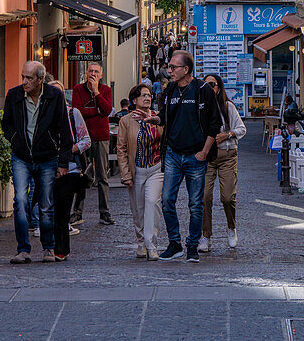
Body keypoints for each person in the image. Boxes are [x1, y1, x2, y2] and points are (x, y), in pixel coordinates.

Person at [1, 60, 71, 264]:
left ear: (41, 79)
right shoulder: (14, 95)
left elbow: (64, 128)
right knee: (20, 201)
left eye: (29, 78)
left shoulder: (54, 95)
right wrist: (16, 140)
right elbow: (6, 124)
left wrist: (63, 162)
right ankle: (23, 249)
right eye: (23, 76)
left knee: (46, 204)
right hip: (21, 156)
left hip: (47, 157)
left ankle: (48, 248)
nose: (24, 81)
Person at [158, 49, 222, 262]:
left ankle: (192, 246)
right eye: (169, 67)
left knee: (196, 204)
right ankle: (174, 243)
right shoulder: (169, 90)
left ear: (186, 69)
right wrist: (153, 120)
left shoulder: (203, 90)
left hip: (196, 156)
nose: (170, 71)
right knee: (167, 200)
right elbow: (164, 117)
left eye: (173, 67)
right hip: (173, 154)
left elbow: (215, 124)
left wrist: (204, 152)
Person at [198, 73, 247, 253]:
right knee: (204, 197)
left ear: (219, 88)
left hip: (227, 155)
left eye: (213, 84)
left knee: (227, 197)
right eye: (206, 85)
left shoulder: (228, 107)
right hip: (207, 156)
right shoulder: (200, 108)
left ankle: (231, 227)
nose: (210, 88)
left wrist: (227, 134)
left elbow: (242, 128)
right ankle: (206, 235)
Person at [117, 83, 164, 261]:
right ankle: (141, 242)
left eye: (149, 95)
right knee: (138, 209)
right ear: (134, 100)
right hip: (136, 169)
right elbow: (121, 149)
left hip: (156, 168)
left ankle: (152, 245)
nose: (147, 98)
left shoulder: (158, 118)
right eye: (143, 95)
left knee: (152, 204)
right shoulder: (126, 121)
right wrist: (126, 174)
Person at [49, 82, 91, 261]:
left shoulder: (73, 114)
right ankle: (48, 247)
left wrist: (69, 149)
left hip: (71, 169)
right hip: (47, 168)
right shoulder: (44, 114)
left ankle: (60, 249)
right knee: (48, 209)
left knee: (62, 210)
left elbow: (86, 140)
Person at [71, 62, 115, 225]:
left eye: (96, 72)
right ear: (86, 72)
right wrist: (95, 111)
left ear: (101, 75)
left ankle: (104, 212)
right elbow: (77, 111)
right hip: (83, 138)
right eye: (91, 71)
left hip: (101, 137)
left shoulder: (106, 90)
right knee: (81, 175)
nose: (93, 74)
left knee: (102, 175)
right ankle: (77, 212)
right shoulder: (78, 89)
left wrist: (96, 92)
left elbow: (106, 110)